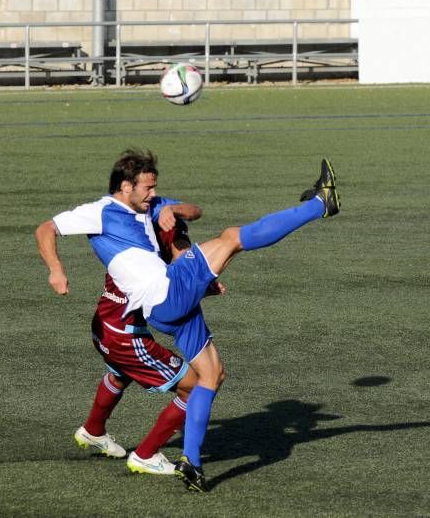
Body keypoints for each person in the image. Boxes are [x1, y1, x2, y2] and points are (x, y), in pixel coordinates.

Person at [35, 148, 339, 492]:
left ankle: (191, 463)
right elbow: (46, 228)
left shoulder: (151, 204)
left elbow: (193, 211)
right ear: (124, 187)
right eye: (147, 189)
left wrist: (170, 207)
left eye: (155, 188)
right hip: (166, 293)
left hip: (165, 307)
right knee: (233, 238)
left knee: (212, 375)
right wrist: (56, 270)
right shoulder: (100, 212)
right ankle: (319, 204)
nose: (152, 195)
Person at [75, 219, 224, 476]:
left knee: (121, 374)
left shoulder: (128, 247)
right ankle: (146, 454)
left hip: (104, 327)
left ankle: (93, 429)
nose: (184, 246)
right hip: (127, 339)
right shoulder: (157, 261)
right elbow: (173, 295)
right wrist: (202, 288)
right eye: (179, 239)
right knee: (195, 386)